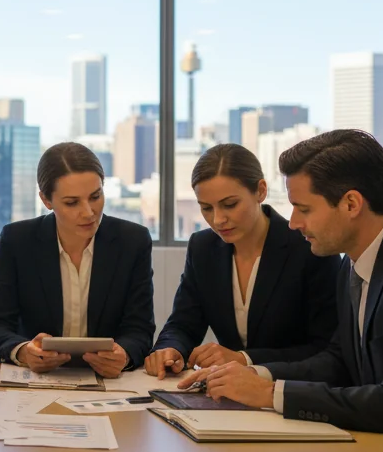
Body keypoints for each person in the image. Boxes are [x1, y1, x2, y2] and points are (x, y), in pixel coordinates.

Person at [178, 130, 383, 452]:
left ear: (351, 204)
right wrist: (254, 375)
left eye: (304, 209)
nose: (293, 223)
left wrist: (271, 393)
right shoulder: (355, 261)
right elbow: (339, 361)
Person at [144, 144, 340, 378]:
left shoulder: (311, 248)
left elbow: (326, 348)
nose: (218, 219)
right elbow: (183, 324)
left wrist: (245, 359)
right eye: (206, 208)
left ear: (261, 191)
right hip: (227, 391)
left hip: (293, 388)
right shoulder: (202, 247)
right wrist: (171, 350)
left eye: (230, 205)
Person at [0, 142, 155, 379]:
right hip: (37, 383)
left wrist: (123, 355)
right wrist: (24, 352)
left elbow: (140, 329)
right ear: (46, 200)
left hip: (107, 382)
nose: (89, 212)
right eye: (72, 202)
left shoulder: (132, 241)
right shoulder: (18, 240)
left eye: (95, 196)